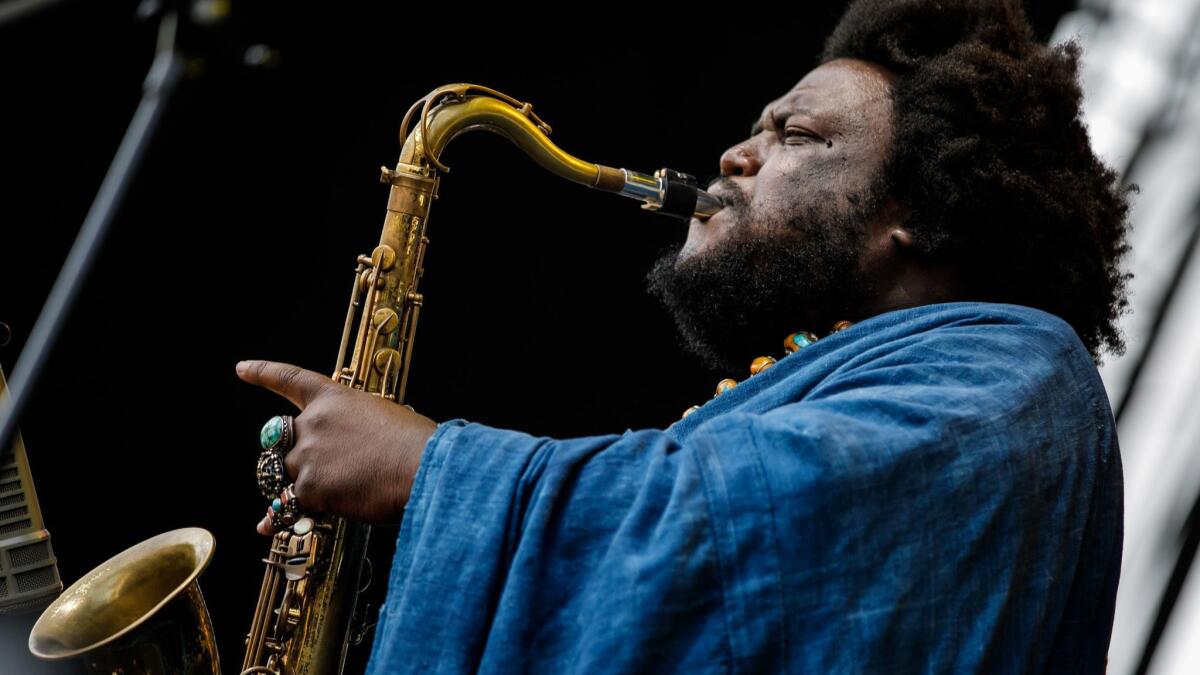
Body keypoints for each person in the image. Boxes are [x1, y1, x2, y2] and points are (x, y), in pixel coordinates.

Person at [236, 0, 1133, 671]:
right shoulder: (876, 378)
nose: (737, 155)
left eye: (796, 134)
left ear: (928, 214)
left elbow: (731, 531)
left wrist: (427, 469)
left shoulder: (1013, 370)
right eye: (752, 130)